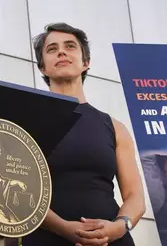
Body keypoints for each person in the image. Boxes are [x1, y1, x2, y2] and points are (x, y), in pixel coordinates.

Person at [20, 23, 146, 246]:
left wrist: (118, 227)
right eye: (52, 49)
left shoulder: (114, 127)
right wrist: (62, 228)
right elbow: (18, 190)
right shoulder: (24, 122)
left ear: (85, 62)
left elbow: (135, 197)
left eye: (70, 46)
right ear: (42, 68)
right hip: (47, 240)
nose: (61, 52)